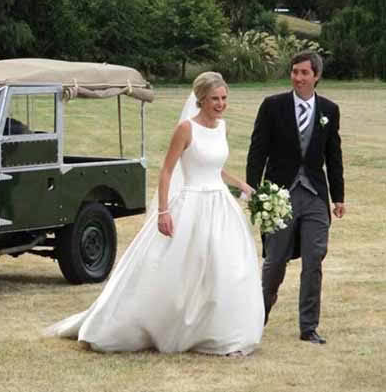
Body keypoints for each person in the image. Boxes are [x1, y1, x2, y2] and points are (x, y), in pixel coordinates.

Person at [44, 72, 264, 355]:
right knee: (179, 267)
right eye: (214, 99)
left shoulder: (221, 127)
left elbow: (212, 166)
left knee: (226, 268)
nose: (220, 104)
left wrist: (241, 184)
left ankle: (219, 332)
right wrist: (163, 211)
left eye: (224, 98)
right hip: (191, 204)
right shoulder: (186, 129)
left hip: (219, 205)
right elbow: (168, 171)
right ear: (201, 99)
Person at [246, 51, 345, 345]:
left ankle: (308, 327)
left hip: (315, 194)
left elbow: (334, 156)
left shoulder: (330, 109)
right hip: (279, 195)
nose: (298, 78)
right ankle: (256, 319)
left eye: (304, 73)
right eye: (294, 72)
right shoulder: (272, 106)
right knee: (275, 261)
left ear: (316, 76)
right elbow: (257, 151)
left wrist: (338, 196)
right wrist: (253, 190)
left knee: (314, 258)